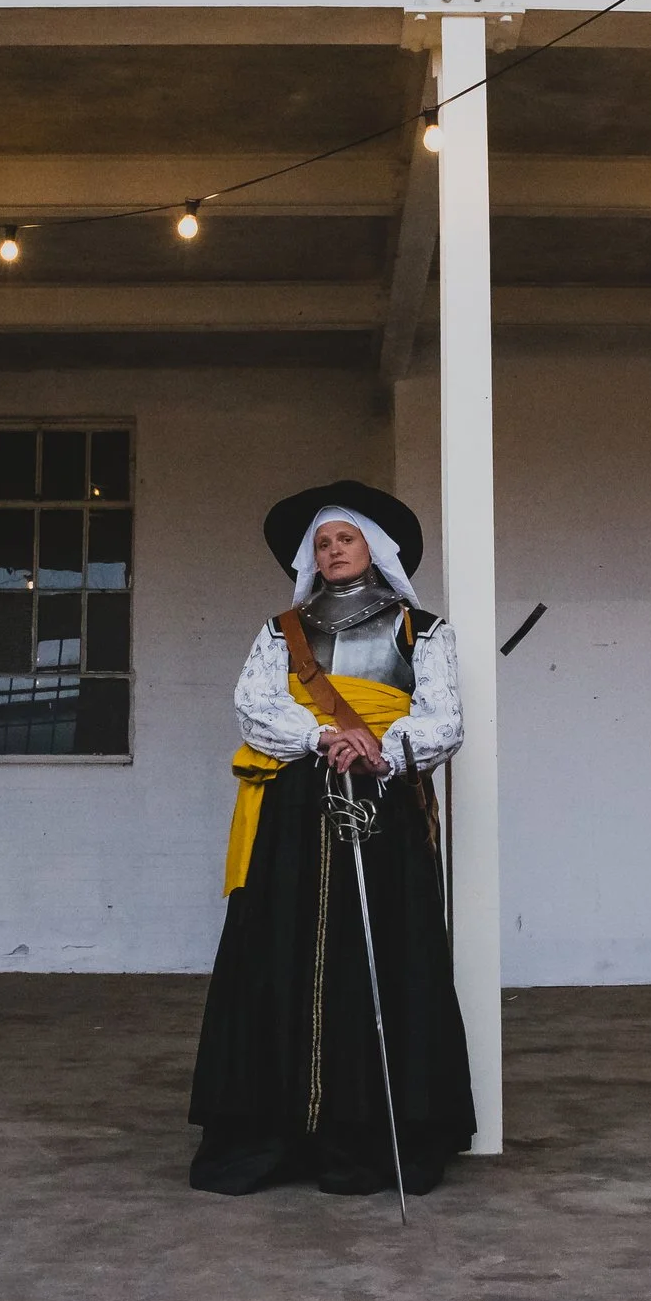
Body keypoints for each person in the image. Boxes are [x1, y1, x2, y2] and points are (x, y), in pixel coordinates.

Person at [188, 480, 475, 1197]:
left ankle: (371, 1132)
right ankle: (278, 1130)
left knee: (378, 956)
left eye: (346, 539)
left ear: (373, 549)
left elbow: (444, 720)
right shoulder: (280, 632)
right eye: (322, 543)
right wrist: (323, 736)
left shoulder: (422, 631)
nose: (333, 551)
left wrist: (380, 748)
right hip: (294, 812)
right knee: (281, 949)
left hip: (384, 805)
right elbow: (255, 706)